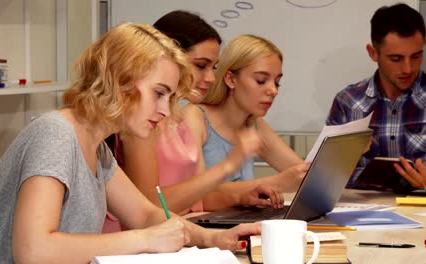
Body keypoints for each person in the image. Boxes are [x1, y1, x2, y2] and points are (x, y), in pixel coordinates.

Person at [0, 23, 261, 264]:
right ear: (121, 81)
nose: (166, 110)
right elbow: (34, 251)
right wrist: (144, 240)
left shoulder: (97, 146)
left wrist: (214, 239)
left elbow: (145, 214)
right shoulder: (56, 134)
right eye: (159, 93)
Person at [107, 11, 285, 221]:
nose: (211, 78)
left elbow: (199, 198)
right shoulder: (140, 123)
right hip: (140, 243)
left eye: (214, 67)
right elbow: (151, 206)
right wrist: (229, 164)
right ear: (167, 59)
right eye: (201, 66)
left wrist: (240, 197)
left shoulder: (185, 117)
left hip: (177, 232)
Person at [182, 34, 309, 201]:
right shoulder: (195, 117)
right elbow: (197, 194)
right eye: (261, 80)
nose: (273, 91)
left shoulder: (253, 122)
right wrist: (276, 183)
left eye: (277, 82)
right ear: (231, 79)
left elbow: (302, 174)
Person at [326, 3, 426, 191]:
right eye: (396, 59)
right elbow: (328, 174)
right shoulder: (348, 102)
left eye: (416, 56)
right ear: (373, 53)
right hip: (362, 213)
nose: (408, 68)